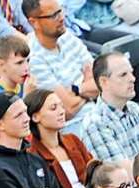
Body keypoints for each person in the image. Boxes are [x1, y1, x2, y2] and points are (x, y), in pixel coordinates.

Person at [78, 50, 139, 171]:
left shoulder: (134, 108)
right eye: (123, 75)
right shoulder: (95, 123)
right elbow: (126, 175)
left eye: (131, 73)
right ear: (104, 82)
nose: (133, 79)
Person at [21, 0, 96, 129]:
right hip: (72, 127)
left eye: (60, 11)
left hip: (97, 112)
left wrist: (76, 89)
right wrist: (89, 87)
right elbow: (68, 110)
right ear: (34, 22)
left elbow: (102, 81)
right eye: (53, 15)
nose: (61, 18)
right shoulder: (33, 58)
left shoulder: (67, 37)